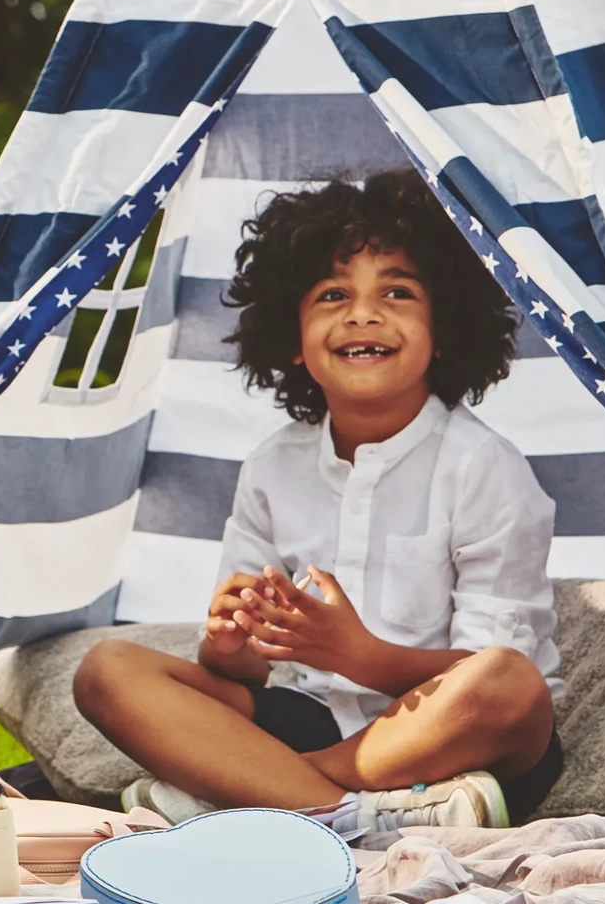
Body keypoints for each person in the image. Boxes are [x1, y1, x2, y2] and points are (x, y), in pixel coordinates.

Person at [73, 171, 564, 833]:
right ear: (293, 340)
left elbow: (491, 672)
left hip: (453, 732)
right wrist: (229, 640)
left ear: (444, 329)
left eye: (397, 291)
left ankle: (255, 793)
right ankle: (353, 816)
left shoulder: (485, 468)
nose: (363, 313)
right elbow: (244, 672)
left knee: (510, 683)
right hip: (308, 720)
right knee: (107, 671)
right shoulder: (272, 467)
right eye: (333, 295)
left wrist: (359, 656)